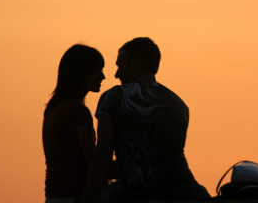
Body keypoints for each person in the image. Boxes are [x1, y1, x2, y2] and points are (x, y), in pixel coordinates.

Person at [83, 37, 210, 203]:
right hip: (184, 191)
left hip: (135, 193)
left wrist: (88, 196)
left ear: (136, 64)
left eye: (120, 65)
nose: (116, 74)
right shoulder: (178, 104)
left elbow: (103, 156)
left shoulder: (114, 98)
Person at [42, 44, 105, 203]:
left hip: (55, 196)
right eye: (98, 71)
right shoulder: (76, 112)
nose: (102, 77)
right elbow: (93, 163)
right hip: (74, 195)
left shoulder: (55, 108)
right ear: (83, 73)